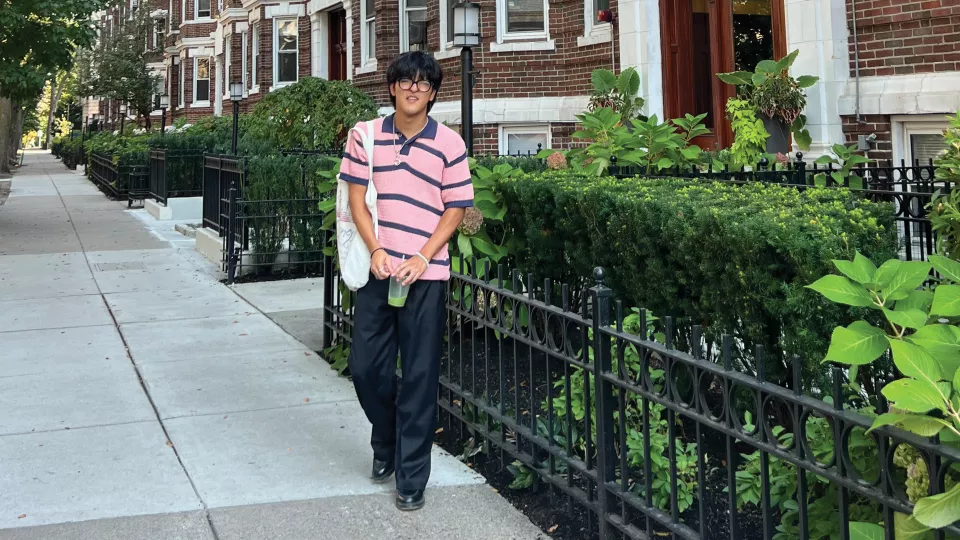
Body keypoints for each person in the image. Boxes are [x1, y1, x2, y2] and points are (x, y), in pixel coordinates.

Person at [338, 51, 473, 511]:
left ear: (433, 94)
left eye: (423, 84)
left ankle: (410, 476)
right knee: (365, 369)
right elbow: (357, 201)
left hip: (426, 273)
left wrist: (422, 255)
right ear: (392, 87)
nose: (414, 89)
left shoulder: (450, 144)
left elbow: (455, 208)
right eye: (406, 81)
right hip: (380, 272)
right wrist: (377, 249)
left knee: (419, 376)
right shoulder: (366, 137)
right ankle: (387, 437)